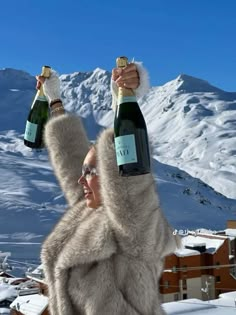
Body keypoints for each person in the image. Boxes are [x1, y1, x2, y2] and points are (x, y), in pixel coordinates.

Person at [39, 61, 179, 315]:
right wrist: (54, 101)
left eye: (91, 173)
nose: (81, 180)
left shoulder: (136, 230)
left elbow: (130, 186)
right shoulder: (89, 214)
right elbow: (70, 158)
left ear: (114, 177)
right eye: (84, 172)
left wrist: (125, 100)